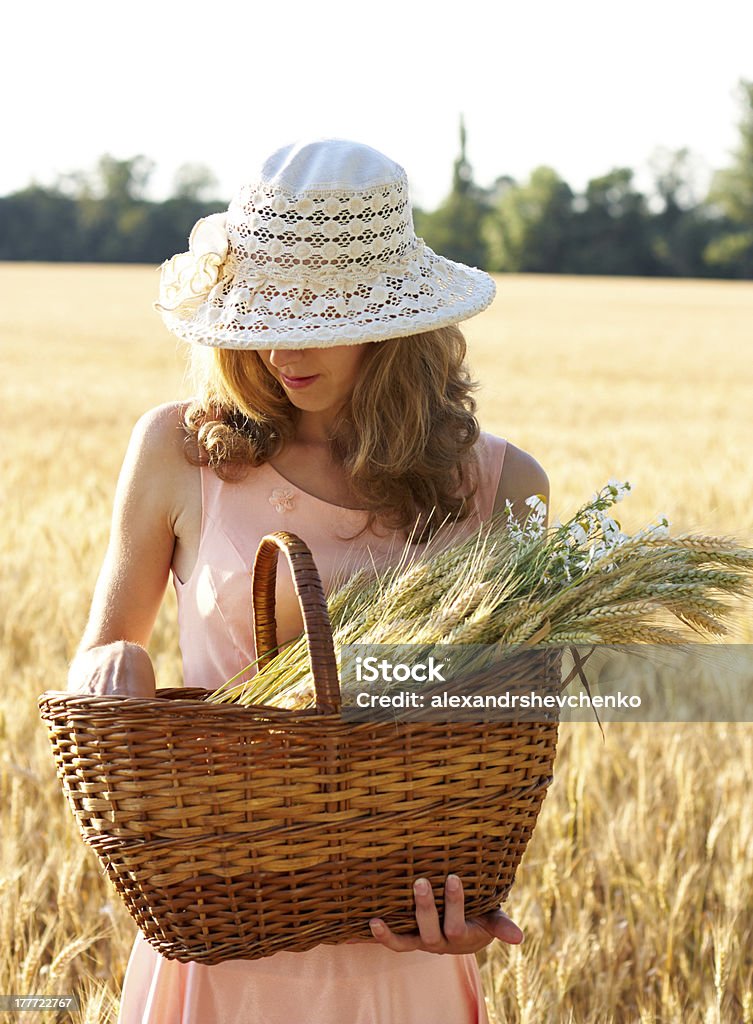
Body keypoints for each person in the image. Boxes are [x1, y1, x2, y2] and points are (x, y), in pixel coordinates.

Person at [68, 138, 549, 1024]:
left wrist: (472, 903)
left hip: (401, 944)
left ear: (396, 318)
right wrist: (110, 675)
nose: (285, 346)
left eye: (323, 312)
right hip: (219, 928)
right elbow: (104, 654)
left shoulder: (499, 483)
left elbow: (505, 736)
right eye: (265, 310)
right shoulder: (177, 448)